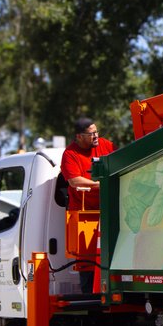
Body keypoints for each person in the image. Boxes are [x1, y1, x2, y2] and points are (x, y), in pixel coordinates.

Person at [61, 118, 114, 294]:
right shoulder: (70, 154)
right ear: (79, 136)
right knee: (88, 266)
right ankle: (90, 300)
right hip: (84, 216)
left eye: (96, 132)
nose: (96, 136)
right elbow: (74, 180)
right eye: (91, 134)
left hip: (108, 212)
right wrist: (101, 184)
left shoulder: (106, 145)